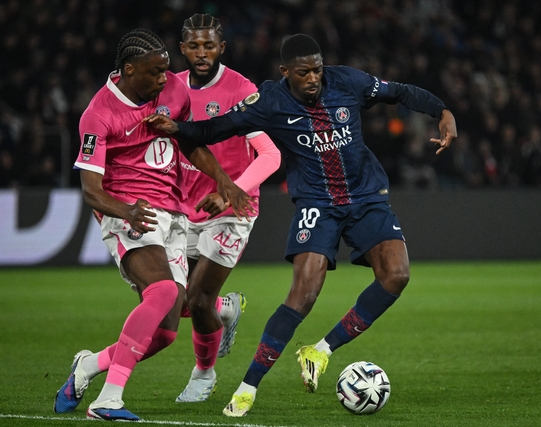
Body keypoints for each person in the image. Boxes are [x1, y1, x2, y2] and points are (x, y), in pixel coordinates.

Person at [143, 33, 458, 417]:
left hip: (366, 198)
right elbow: (216, 129)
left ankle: (320, 351)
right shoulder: (269, 100)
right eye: (304, 72)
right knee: (303, 295)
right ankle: (247, 388)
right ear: (285, 72)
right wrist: (178, 128)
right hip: (317, 205)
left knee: (397, 275)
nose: (313, 78)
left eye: (317, 70)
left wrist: (441, 110)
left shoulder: (347, 81)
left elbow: (399, 92)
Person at [52, 28, 252, 422]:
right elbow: (91, 190)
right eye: (155, 72)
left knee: (164, 333)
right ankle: (107, 401)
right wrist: (125, 212)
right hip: (130, 211)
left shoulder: (174, 91)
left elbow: (189, 142)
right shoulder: (99, 114)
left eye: (166, 69)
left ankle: (88, 366)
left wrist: (223, 180)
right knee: (161, 292)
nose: (165, 78)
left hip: (174, 213)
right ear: (129, 70)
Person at [173, 14, 281, 403]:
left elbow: (270, 155)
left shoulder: (240, 90)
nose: (202, 53)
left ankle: (203, 375)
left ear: (221, 48)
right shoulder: (170, 88)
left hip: (232, 208)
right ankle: (227, 309)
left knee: (198, 299)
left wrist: (229, 192)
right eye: (194, 46)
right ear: (182, 49)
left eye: (209, 46)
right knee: (177, 301)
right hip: (184, 206)